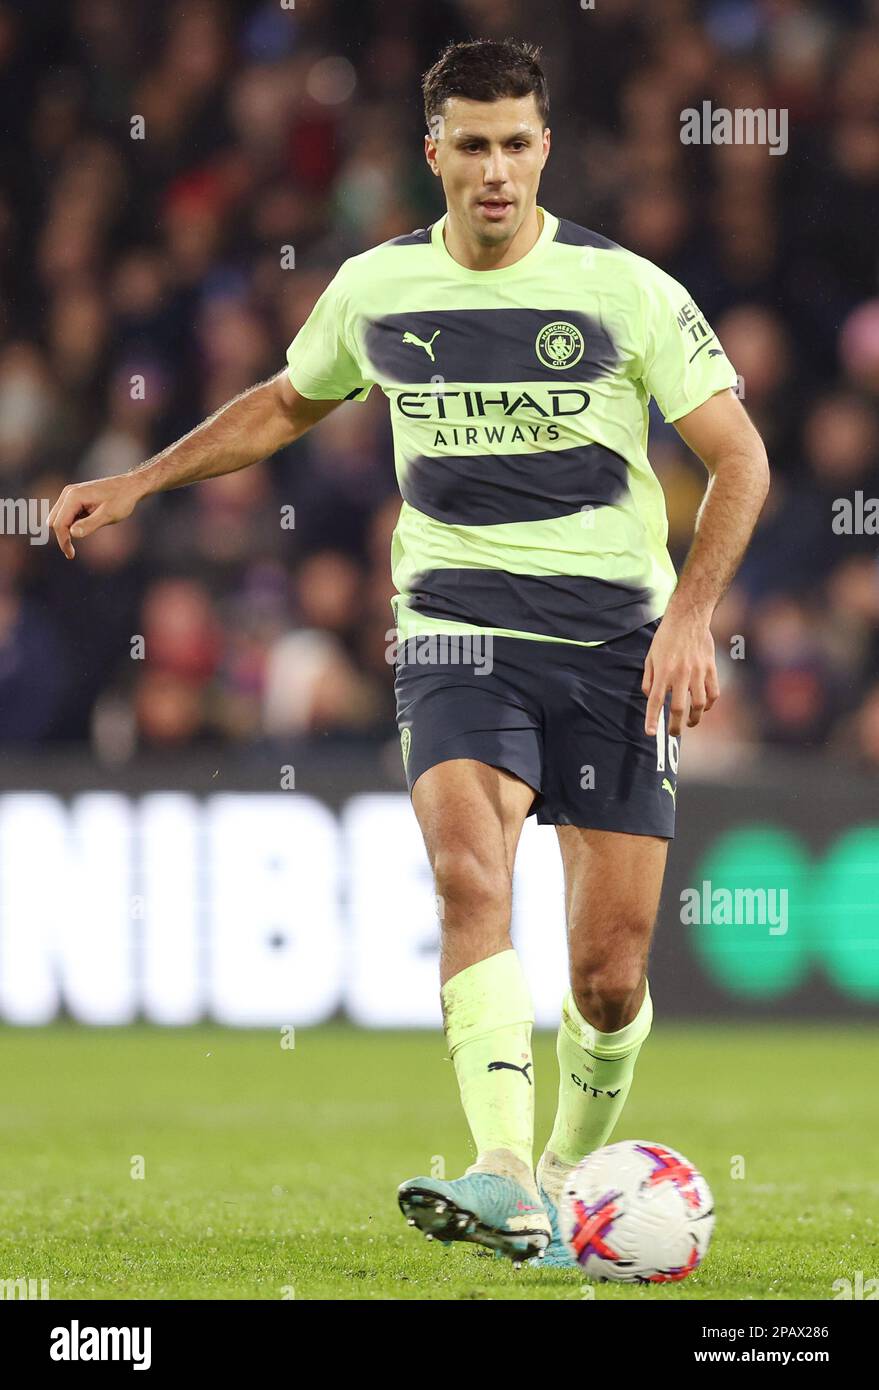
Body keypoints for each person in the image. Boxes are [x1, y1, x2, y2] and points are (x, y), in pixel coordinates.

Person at [48, 39, 769, 1269]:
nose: (495, 170)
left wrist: (694, 616)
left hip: (614, 647)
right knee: (467, 879)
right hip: (453, 632)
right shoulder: (377, 287)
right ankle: (500, 1170)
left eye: (516, 143)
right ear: (433, 152)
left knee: (607, 977)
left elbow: (741, 459)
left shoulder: (626, 290)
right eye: (471, 145)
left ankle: (554, 1177)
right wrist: (141, 478)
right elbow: (287, 398)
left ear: (545, 147)